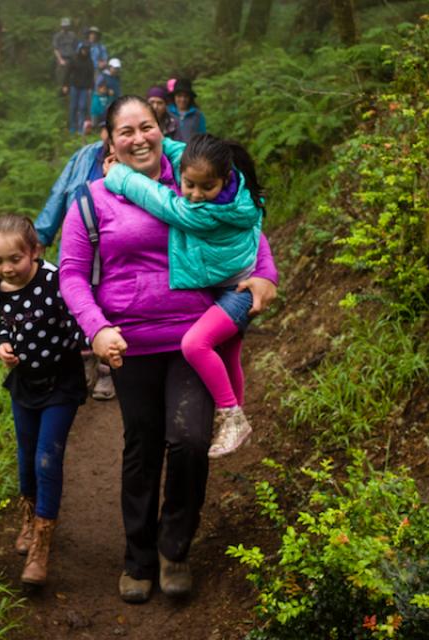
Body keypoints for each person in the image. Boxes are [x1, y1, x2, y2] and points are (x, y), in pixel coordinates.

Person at [58, 96, 278, 603]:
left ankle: (173, 549)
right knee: (142, 446)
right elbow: (71, 273)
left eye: (147, 127)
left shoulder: (195, 180)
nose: (139, 138)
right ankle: (137, 558)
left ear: (163, 130)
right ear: (108, 142)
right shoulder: (92, 199)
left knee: (189, 440)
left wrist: (265, 277)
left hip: (195, 335)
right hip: (129, 343)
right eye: (126, 131)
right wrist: (95, 328)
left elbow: (245, 229)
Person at [103, 133, 265, 458]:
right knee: (229, 353)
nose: (195, 195)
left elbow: (157, 199)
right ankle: (236, 420)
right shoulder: (232, 183)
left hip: (239, 289)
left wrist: (119, 174)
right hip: (231, 283)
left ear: (225, 178)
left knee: (195, 345)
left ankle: (231, 414)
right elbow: (181, 153)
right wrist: (155, 137)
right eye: (189, 184)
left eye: (207, 187)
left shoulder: (205, 212)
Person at [0, 214, 87, 587]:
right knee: (26, 457)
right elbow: (4, 323)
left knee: (47, 457)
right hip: (25, 384)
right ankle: (28, 518)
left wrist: (92, 339)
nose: (8, 268)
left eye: (15, 259)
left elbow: (76, 315)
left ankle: (42, 544)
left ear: (35, 252)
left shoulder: (55, 281)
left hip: (62, 382)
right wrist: (2, 345)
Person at [34, 119, 117, 402]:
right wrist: (41, 235)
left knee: (109, 300)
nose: (110, 135)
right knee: (75, 299)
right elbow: (60, 193)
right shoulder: (83, 157)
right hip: (79, 240)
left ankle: (107, 369)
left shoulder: (130, 159)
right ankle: (85, 362)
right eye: (108, 128)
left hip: (113, 245)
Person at [65, 44, 95, 136]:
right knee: (73, 107)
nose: (85, 51)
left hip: (84, 88)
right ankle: (72, 128)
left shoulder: (89, 62)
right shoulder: (74, 60)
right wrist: (65, 85)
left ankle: (81, 128)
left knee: (82, 107)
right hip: (75, 86)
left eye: (86, 50)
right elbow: (68, 72)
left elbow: (91, 76)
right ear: (80, 50)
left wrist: (91, 87)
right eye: (83, 50)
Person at [52, 17, 78, 93]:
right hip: (62, 58)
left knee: (72, 78)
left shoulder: (73, 35)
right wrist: (60, 60)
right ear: (61, 26)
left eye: (67, 25)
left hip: (72, 58)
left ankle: (70, 94)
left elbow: (76, 47)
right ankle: (60, 95)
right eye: (64, 26)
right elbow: (55, 49)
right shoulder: (57, 36)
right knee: (61, 78)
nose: (65, 27)